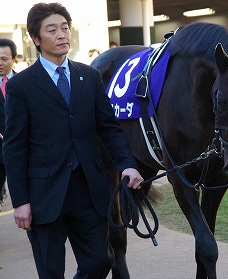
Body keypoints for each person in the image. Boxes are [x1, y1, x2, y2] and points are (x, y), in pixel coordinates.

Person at [3, 3, 144, 278]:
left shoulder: (89, 77)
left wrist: (127, 165)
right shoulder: (21, 86)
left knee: (100, 262)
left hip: (88, 191)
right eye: (52, 29)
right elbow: (14, 147)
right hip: (44, 196)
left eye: (65, 28)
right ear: (35, 39)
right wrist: (20, 201)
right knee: (51, 272)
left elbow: (109, 128)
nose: (61, 34)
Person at [0, 38, 17, 209]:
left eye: (4, 59)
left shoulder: (26, 83)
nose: (0, 63)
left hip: (21, 147)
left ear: (14, 59)